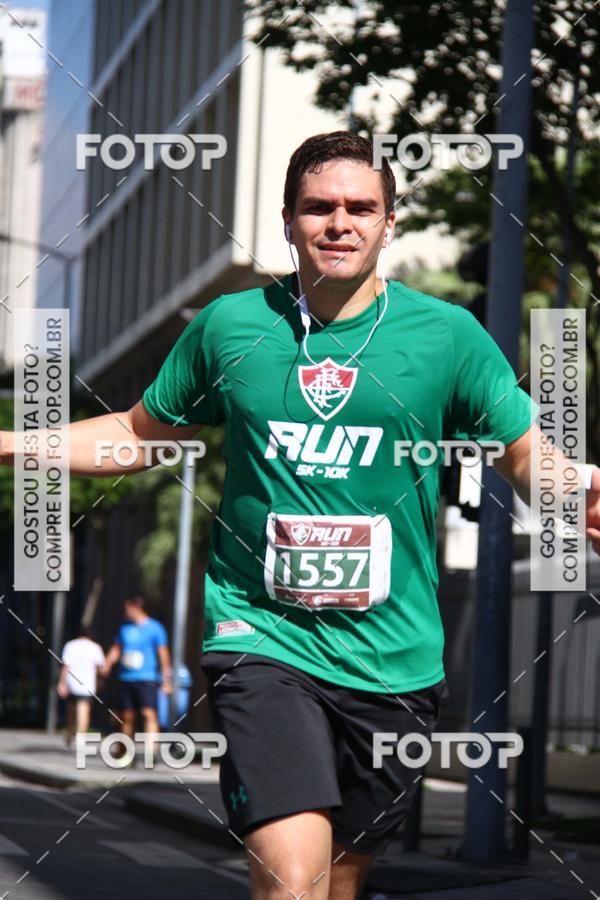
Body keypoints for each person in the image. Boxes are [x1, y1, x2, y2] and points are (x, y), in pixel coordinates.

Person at [1, 130, 599, 899]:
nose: (340, 223)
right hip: (263, 642)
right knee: (293, 881)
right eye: (319, 208)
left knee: (339, 880)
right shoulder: (231, 327)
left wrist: (569, 486)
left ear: (390, 222)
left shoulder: (447, 337)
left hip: (394, 663)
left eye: (361, 207)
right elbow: (139, 435)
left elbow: (522, 451)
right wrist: (11, 442)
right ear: (288, 221)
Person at [102, 596, 172, 757]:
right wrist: (108, 663)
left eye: (127, 608)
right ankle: (125, 752)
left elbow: (163, 653)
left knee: (148, 713)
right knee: (126, 716)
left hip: (147, 678)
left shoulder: (155, 628)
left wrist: (166, 678)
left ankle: (151, 752)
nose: (125, 612)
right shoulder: (124, 629)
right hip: (126, 677)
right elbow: (117, 648)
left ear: (136, 607)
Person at [57, 625, 105, 750]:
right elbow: (100, 668)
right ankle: (80, 737)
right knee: (84, 711)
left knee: (71, 712)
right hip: (88, 684)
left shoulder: (70, 645)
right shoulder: (95, 647)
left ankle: (70, 734)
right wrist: (99, 682)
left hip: (72, 683)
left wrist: (61, 683)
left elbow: (66, 666)